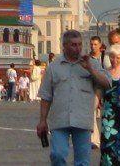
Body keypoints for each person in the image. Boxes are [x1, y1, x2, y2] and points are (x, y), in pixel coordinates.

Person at [36, 29, 111, 166]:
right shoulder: (54, 67)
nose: (78, 48)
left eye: (80, 45)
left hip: (82, 119)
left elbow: (107, 83)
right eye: (73, 45)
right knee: (57, 155)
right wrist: (42, 120)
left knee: (82, 161)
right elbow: (46, 96)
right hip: (60, 119)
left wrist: (90, 69)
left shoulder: (91, 64)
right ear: (64, 46)